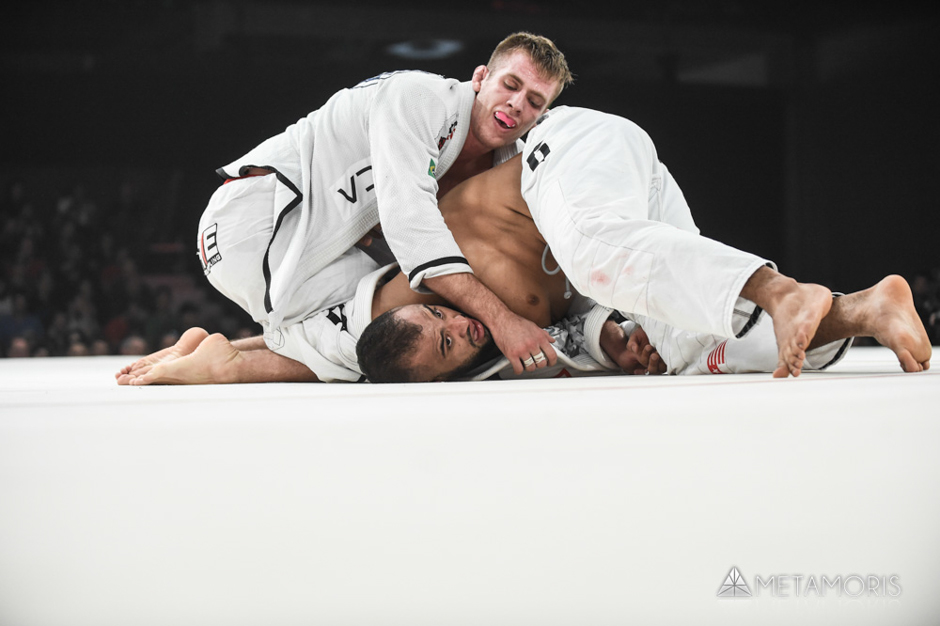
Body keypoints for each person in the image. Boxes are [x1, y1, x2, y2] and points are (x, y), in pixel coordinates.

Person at [116, 150, 931, 385]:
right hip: (613, 204)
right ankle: (866, 308)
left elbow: (306, 350)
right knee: (685, 345)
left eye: (438, 317)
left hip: (566, 161)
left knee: (596, 252)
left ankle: (781, 289)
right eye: (450, 343)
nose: (459, 323)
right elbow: (306, 359)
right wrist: (611, 339)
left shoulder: (404, 267)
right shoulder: (471, 350)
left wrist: (225, 364)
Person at [200, 32, 572, 378]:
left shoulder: (510, 161)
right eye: (511, 85)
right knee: (387, 333)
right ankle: (230, 368)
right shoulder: (419, 97)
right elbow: (412, 228)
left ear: (540, 116)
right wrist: (503, 321)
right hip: (256, 227)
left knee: (404, 328)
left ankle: (208, 354)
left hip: (316, 251)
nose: (517, 104)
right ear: (480, 78)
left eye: (534, 101)